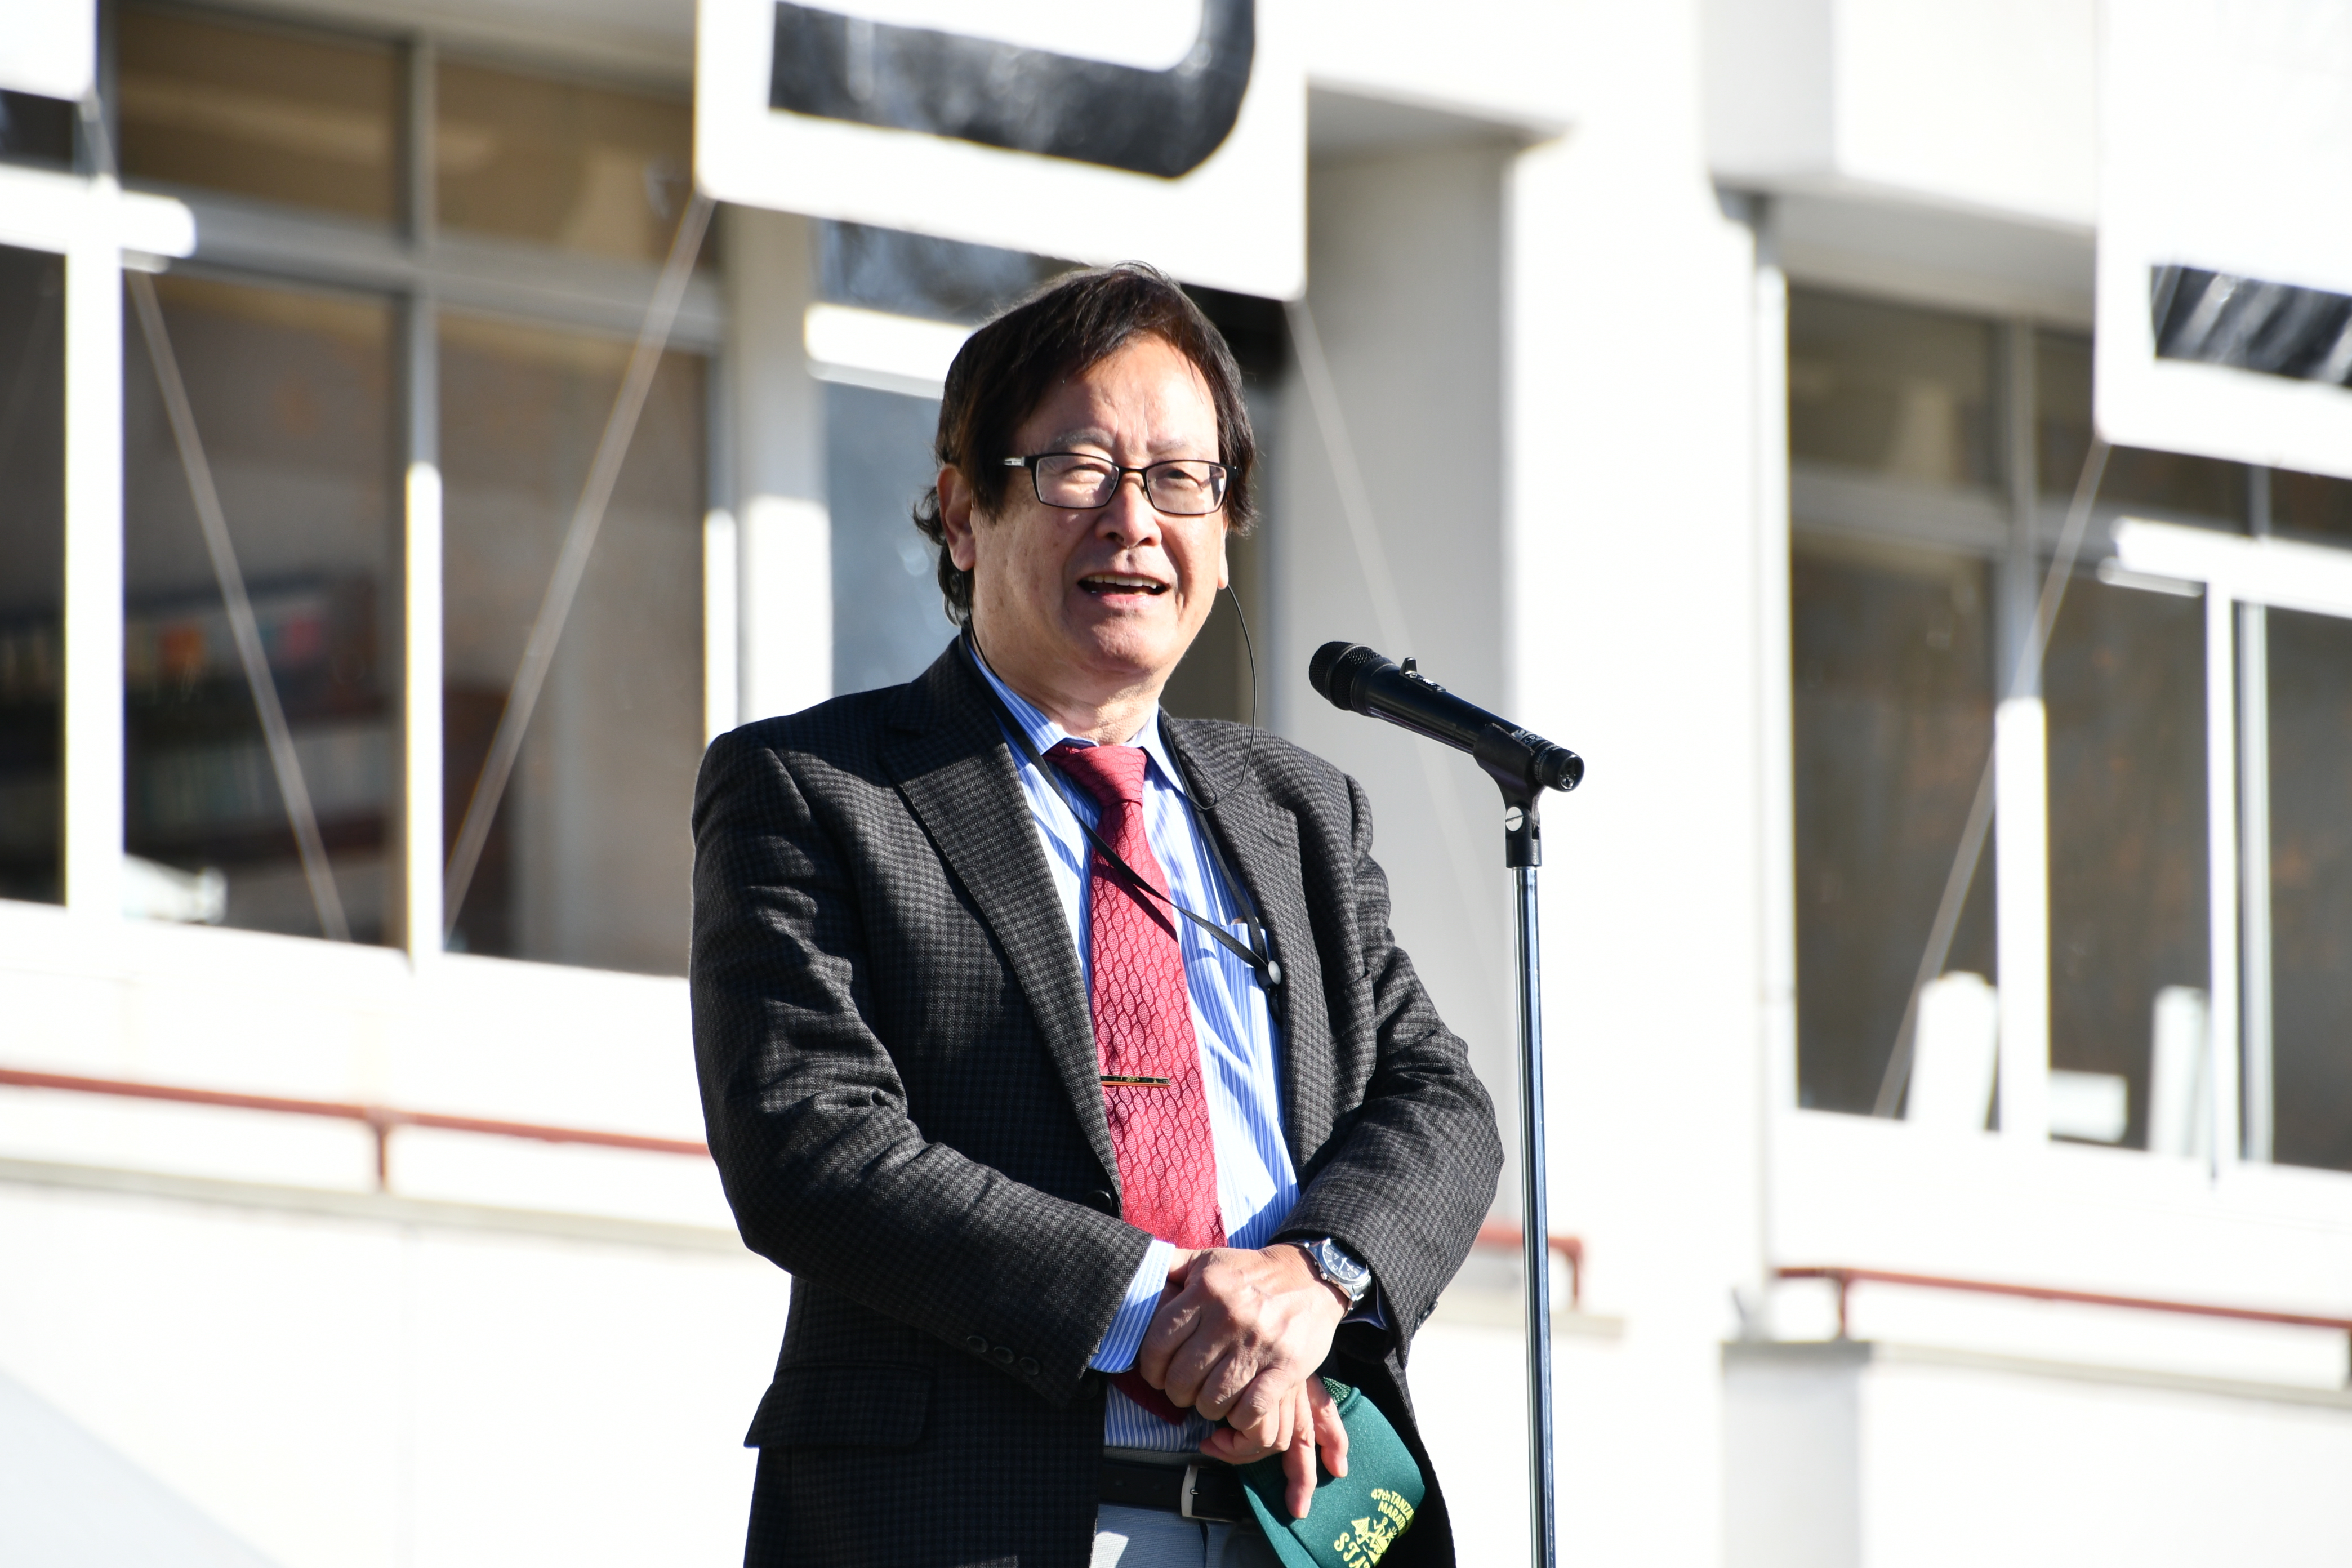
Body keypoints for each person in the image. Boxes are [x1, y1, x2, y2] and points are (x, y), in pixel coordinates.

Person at [691, 262, 1501, 1568]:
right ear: (965, 513)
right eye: (1079, 470)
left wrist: (1310, 1279)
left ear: (1225, 534)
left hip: (1288, 1527)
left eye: (1180, 480)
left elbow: (1439, 1102)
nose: (1133, 521)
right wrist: (1169, 1312)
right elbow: (813, 1146)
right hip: (962, 1525)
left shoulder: (1296, 811)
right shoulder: (817, 787)